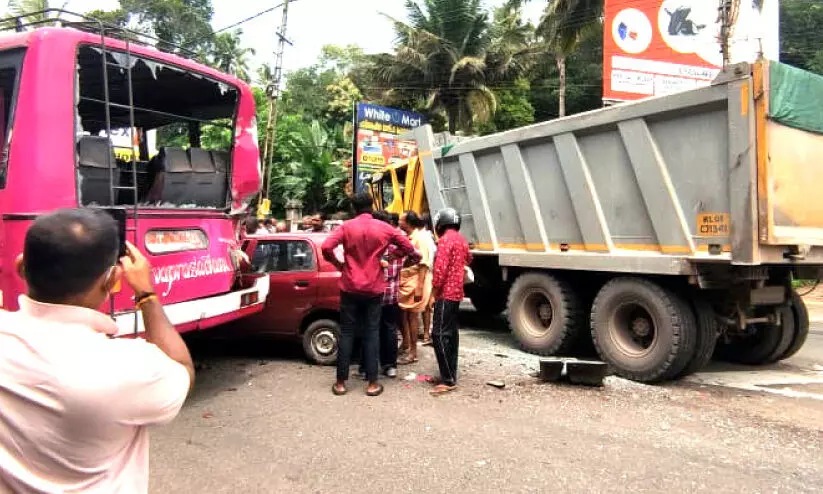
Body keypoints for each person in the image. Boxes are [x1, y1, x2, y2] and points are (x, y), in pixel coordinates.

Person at [0, 209, 194, 492]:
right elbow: (182, 369)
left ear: (21, 267)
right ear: (111, 280)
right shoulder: (130, 366)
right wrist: (146, 295)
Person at [322, 194, 420, 397]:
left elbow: (326, 247)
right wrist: (393, 257)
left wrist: (339, 264)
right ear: (372, 206)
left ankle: (340, 383)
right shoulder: (384, 228)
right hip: (374, 287)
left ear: (353, 207)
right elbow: (412, 251)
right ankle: (372, 384)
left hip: (349, 286)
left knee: (347, 332)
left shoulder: (346, 226)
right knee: (372, 332)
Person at [429, 208, 472, 395]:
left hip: (445, 294)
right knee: (451, 335)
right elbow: (469, 258)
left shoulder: (445, 240)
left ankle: (447, 380)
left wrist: (433, 292)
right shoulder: (461, 240)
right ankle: (450, 374)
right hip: (457, 293)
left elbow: (439, 271)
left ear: (440, 223)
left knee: (438, 335)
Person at [397, 211, 434, 365]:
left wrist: (419, 288)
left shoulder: (422, 238)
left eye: (401, 219)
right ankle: (406, 345)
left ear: (408, 223)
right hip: (407, 280)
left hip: (416, 280)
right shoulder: (411, 237)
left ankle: (413, 352)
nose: (399, 222)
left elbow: (423, 265)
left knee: (412, 316)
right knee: (404, 315)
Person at [419, 212, 438, 345]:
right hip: (430, 272)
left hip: (424, 272)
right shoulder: (431, 238)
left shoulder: (422, 237)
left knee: (425, 305)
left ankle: (425, 333)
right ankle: (426, 333)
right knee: (427, 306)